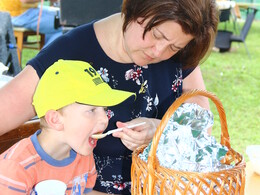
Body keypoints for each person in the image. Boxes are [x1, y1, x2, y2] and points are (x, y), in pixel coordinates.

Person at [0, 0, 219, 194]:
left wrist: (160, 130)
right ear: (134, 8)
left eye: (174, 46)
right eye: (157, 35)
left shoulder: (182, 50)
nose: (159, 52)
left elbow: (202, 127)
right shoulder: (69, 54)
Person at [0, 59, 135, 194]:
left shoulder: (82, 155)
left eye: (104, 109)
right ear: (55, 120)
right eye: (92, 110)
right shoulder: (16, 169)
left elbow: (85, 193)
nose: (104, 119)